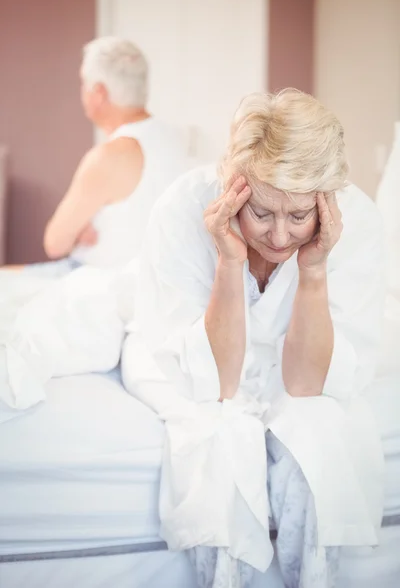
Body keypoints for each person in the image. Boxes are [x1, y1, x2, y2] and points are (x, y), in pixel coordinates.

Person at [122, 89, 386, 587]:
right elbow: (216, 380)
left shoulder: (355, 223)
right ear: (233, 185)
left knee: (321, 441)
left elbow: (307, 383)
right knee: (218, 440)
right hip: (195, 358)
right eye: (262, 213)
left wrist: (314, 270)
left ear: (325, 201)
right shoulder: (183, 207)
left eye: (299, 216)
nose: (281, 237)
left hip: (294, 361)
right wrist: (229, 258)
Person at [25, 37, 187, 276]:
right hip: (148, 280)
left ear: (98, 92)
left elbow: (55, 243)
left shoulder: (109, 156)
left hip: (96, 279)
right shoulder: (174, 140)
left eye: (83, 83)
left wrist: (77, 232)